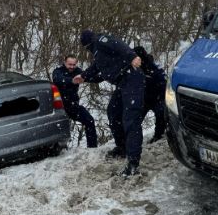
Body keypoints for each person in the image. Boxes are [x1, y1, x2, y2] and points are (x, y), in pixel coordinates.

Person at [73, 30, 145, 177]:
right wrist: (84, 76)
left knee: (130, 120)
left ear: (88, 44)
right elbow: (96, 68)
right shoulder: (99, 54)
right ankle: (122, 147)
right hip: (122, 83)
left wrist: (132, 56)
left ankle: (133, 163)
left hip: (132, 78)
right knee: (113, 112)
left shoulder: (101, 40)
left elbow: (119, 45)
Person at [52, 55, 98, 148]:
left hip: (73, 106)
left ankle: (92, 149)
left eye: (74, 64)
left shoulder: (77, 71)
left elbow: (90, 77)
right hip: (59, 107)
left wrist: (104, 75)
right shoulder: (58, 71)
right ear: (65, 62)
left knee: (89, 121)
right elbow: (58, 80)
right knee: (59, 130)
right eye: (70, 64)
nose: (72, 67)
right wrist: (72, 81)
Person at [133, 46, 167, 144]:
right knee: (134, 117)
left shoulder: (153, 66)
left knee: (161, 113)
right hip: (143, 98)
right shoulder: (133, 66)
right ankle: (132, 139)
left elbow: (163, 82)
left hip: (158, 97)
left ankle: (158, 136)